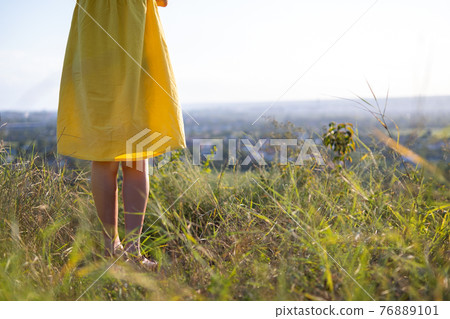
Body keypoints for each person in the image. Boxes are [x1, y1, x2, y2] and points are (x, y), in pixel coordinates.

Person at [56, 0, 186, 271]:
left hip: (93, 40)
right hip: (137, 41)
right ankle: (132, 251)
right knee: (136, 157)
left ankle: (110, 250)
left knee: (104, 158)